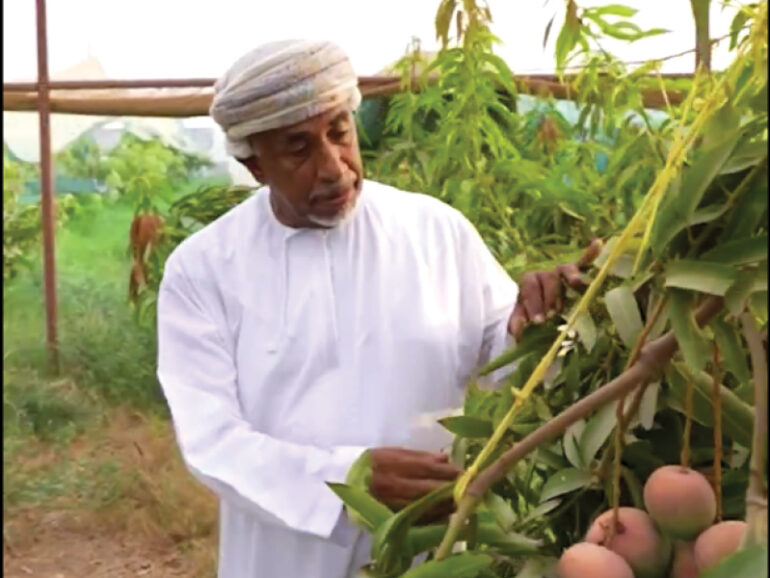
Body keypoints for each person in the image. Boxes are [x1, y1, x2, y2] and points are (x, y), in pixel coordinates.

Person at [156, 39, 592, 578]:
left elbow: (507, 354)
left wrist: (545, 312)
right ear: (254, 164)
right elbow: (212, 441)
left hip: (430, 551)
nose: (334, 168)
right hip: (284, 558)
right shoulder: (203, 270)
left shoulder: (435, 230)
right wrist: (348, 481)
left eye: (339, 132)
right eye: (298, 149)